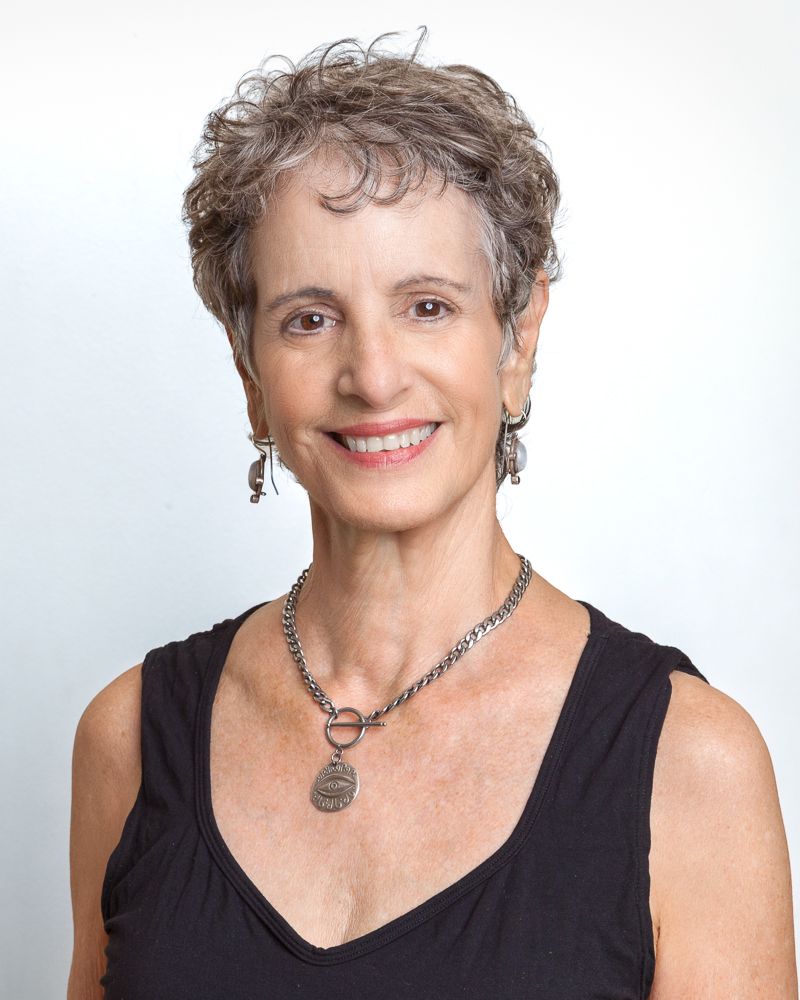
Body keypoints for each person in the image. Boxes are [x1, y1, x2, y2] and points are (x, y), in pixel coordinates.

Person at [68, 28, 797, 1000]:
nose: (371, 376)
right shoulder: (128, 736)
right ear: (251, 377)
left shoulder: (687, 762)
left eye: (425, 306)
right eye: (308, 318)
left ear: (516, 338)